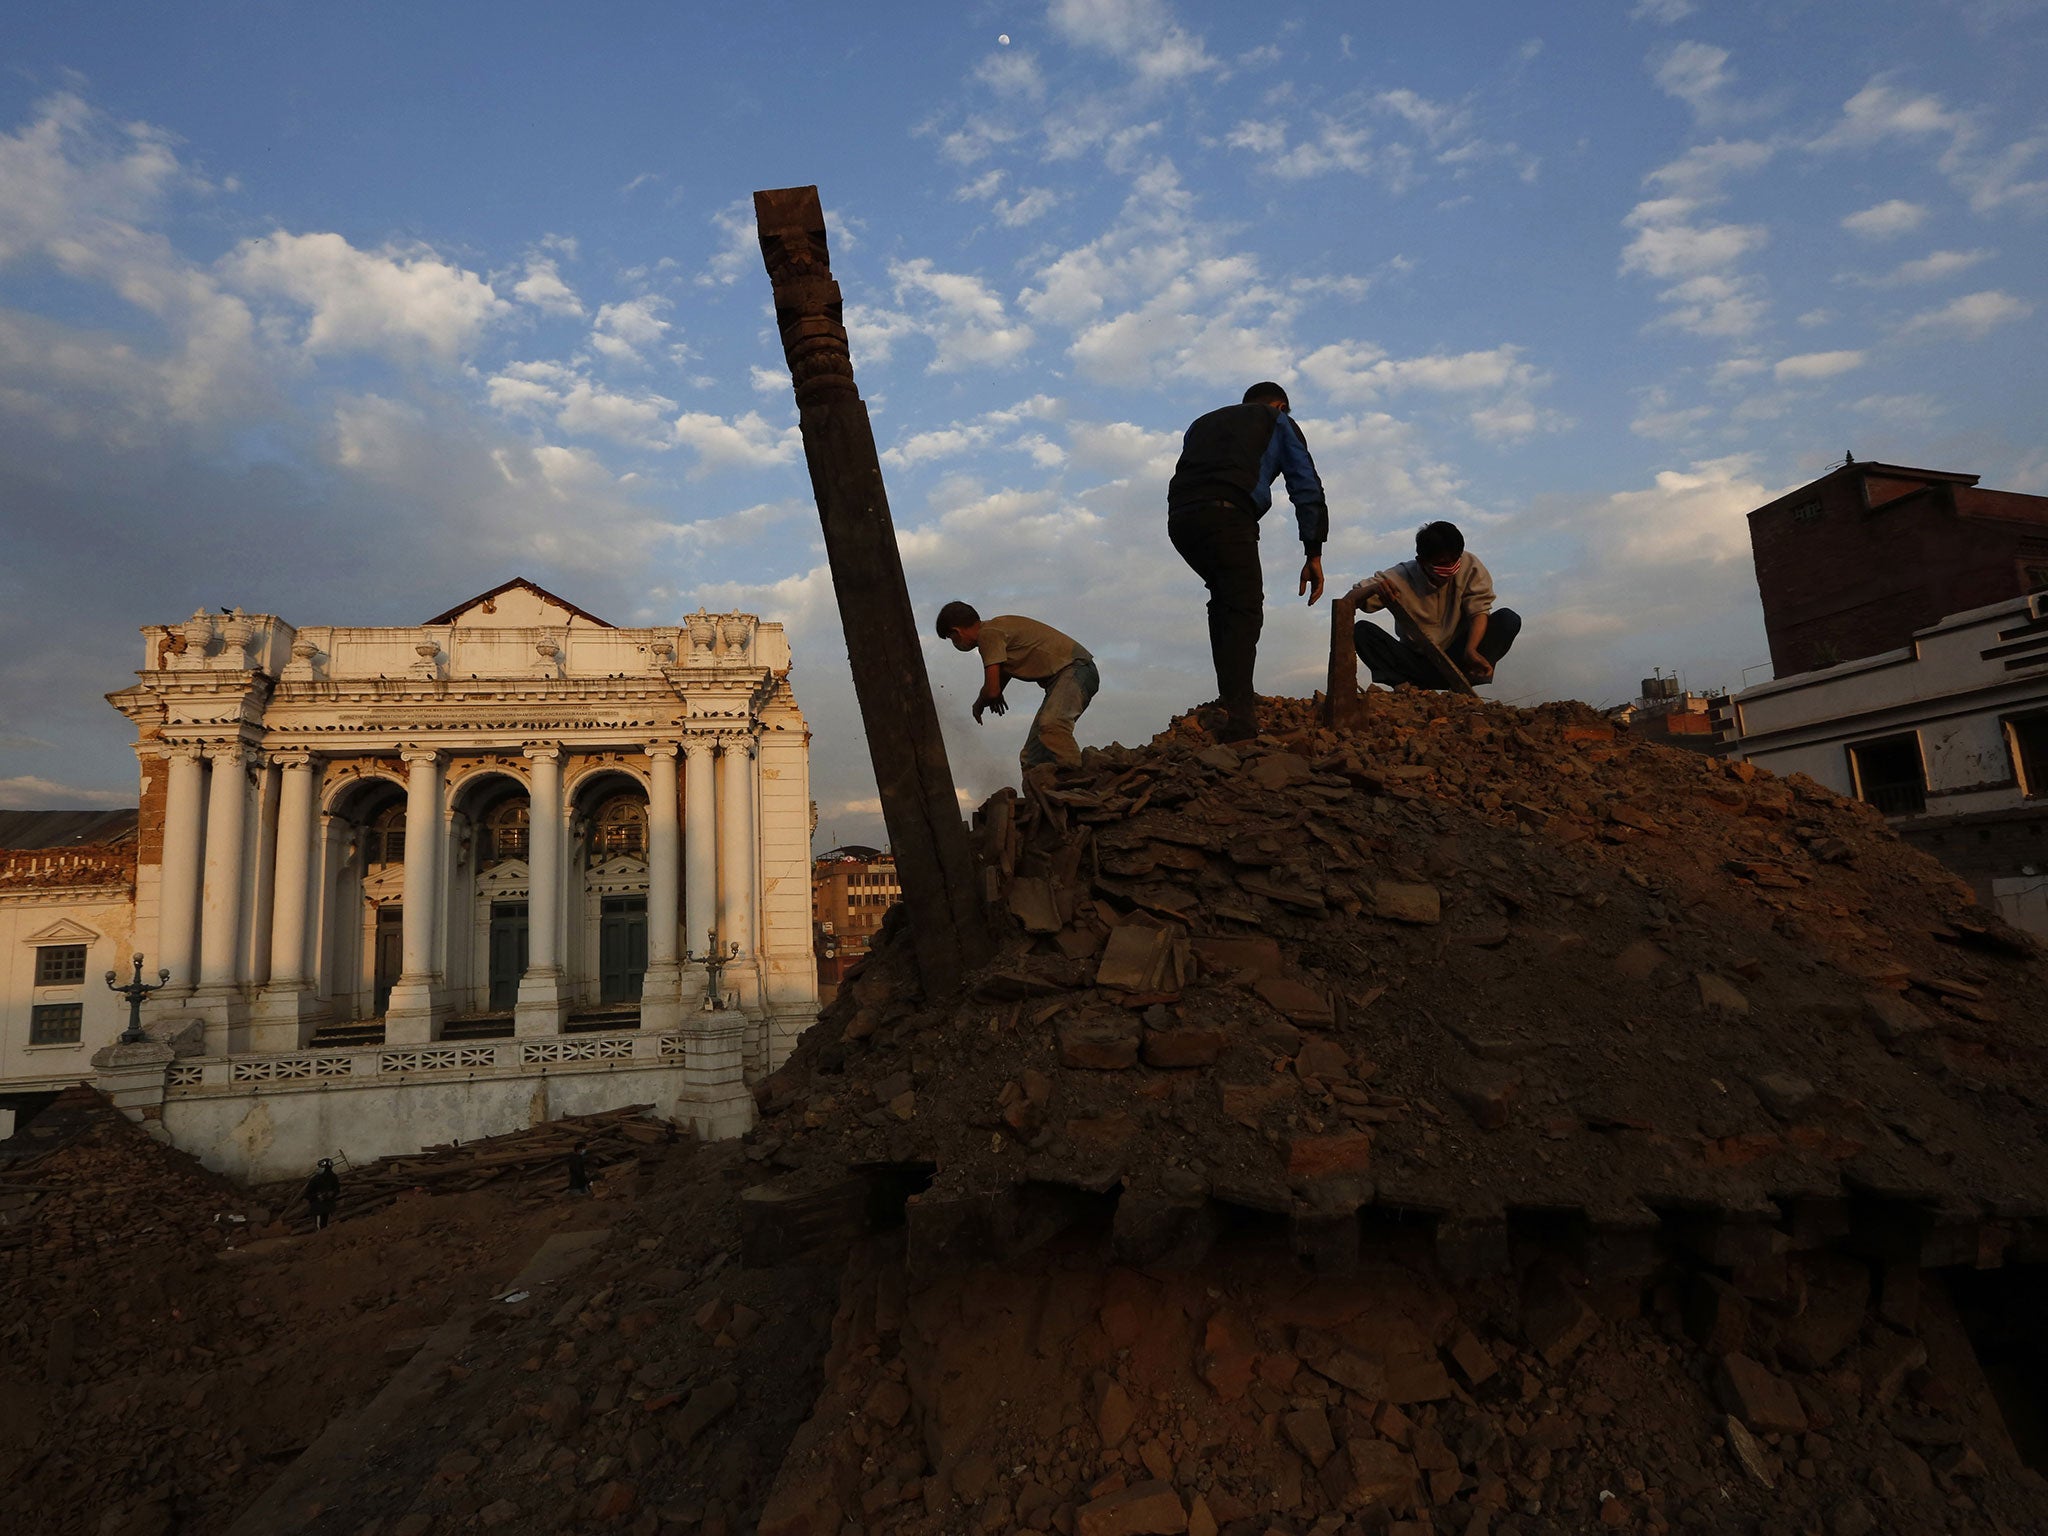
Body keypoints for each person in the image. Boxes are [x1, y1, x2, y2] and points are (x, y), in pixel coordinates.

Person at [1167, 381, 1330, 741]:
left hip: (1180, 519)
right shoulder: (1277, 419)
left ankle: (1234, 695)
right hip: (1227, 514)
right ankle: (1240, 718)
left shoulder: (1202, 422)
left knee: (1225, 599)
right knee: (1243, 606)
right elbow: (1305, 484)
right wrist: (1313, 550)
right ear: (1280, 404)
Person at [1346, 521, 1521, 688]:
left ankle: (1472, 673)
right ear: (1422, 561)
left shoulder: (1470, 566)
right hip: (1415, 662)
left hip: (1458, 657)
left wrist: (1471, 649)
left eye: (1455, 560)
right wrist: (1374, 589)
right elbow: (1346, 602)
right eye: (1443, 564)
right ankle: (1406, 687)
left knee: (1508, 619)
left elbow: (1479, 611)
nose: (1451, 568)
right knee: (1362, 630)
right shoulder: (1400, 576)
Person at [934, 602, 1100, 778]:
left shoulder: (988, 635)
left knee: (1052, 724)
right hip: (1065, 678)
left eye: (952, 639)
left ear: (957, 631)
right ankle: (1044, 798)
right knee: (1033, 757)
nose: (955, 644)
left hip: (1076, 670)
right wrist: (993, 694)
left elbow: (992, 690)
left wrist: (981, 702)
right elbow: (1002, 674)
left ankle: (1079, 782)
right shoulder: (996, 629)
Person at [304, 1157, 341, 1230]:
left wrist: (332, 1193)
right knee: (320, 1227)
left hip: (328, 1206)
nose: (319, 1168)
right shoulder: (315, 1179)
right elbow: (307, 1194)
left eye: (321, 1167)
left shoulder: (333, 1177)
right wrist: (317, 1196)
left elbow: (337, 1189)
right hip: (318, 1207)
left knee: (326, 1226)